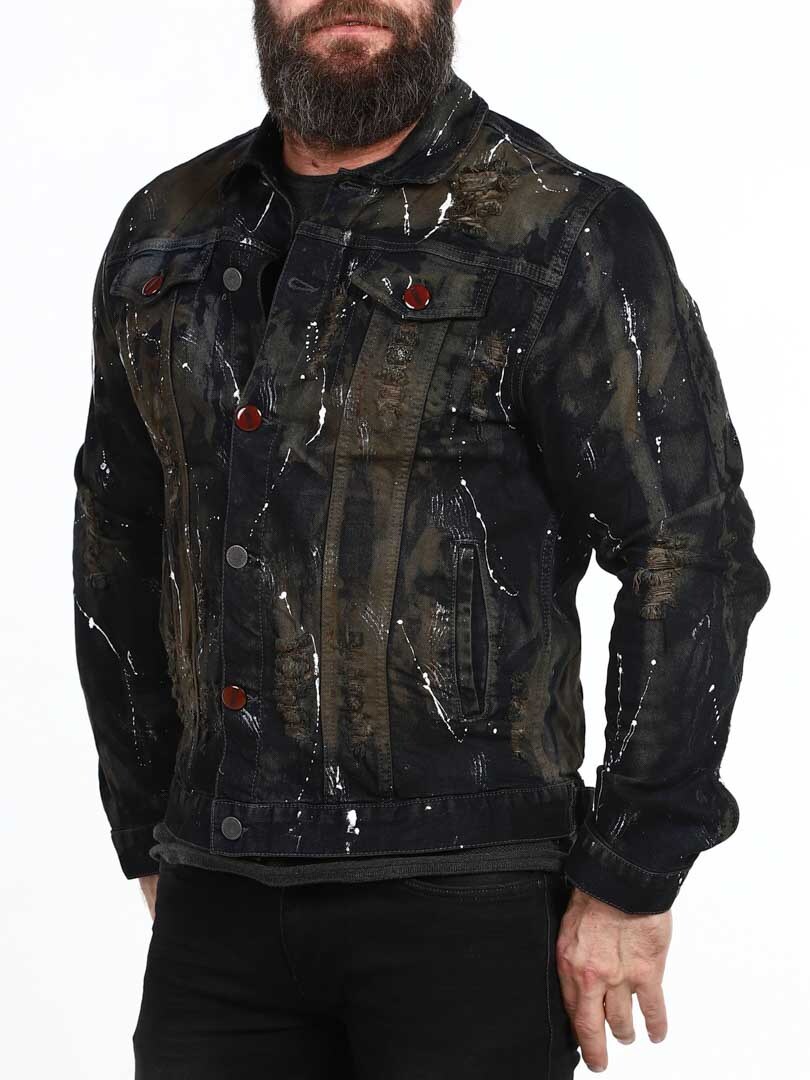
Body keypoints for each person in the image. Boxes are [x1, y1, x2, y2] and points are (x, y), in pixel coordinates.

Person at [71, 1, 771, 1076]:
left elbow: (689, 551)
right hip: (219, 896)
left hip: (470, 898)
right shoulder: (168, 227)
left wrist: (632, 872)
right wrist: (145, 822)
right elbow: (117, 530)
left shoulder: (562, 227)